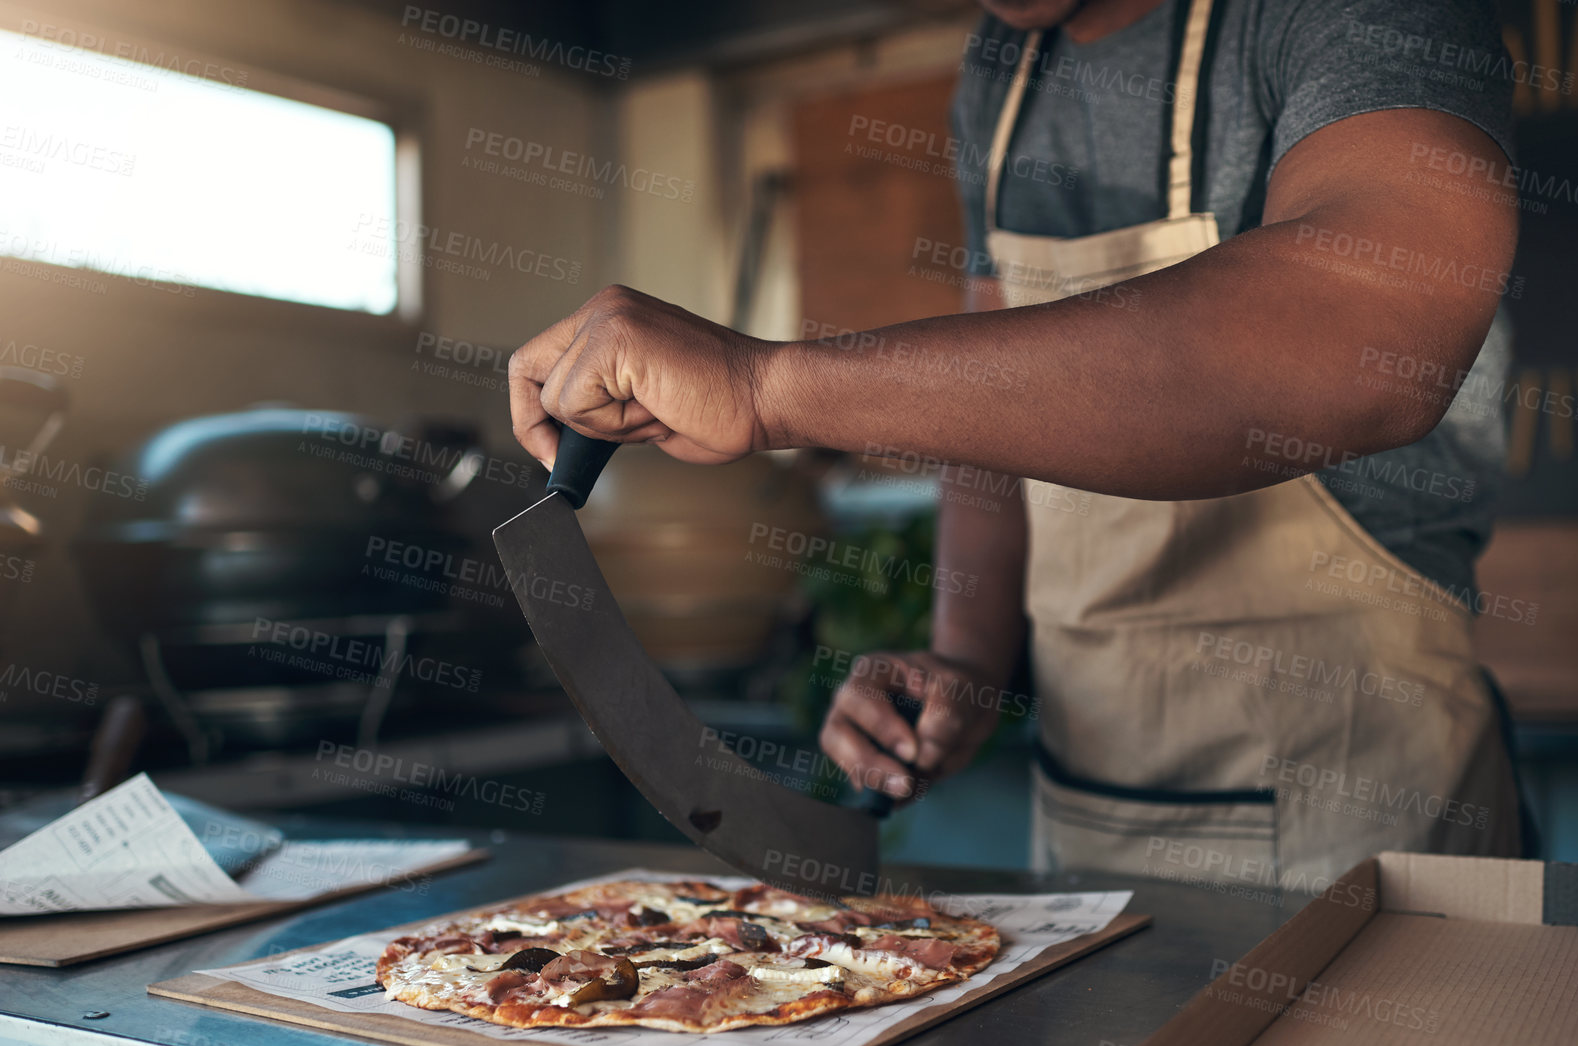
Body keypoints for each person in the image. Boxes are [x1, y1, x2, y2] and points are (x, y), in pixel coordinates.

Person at [509, 0, 1525, 890]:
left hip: (1361, 817)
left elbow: (1371, 335)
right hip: (1088, 808)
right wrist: (964, 660)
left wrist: (770, 386)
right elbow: (991, 430)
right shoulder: (1001, 75)